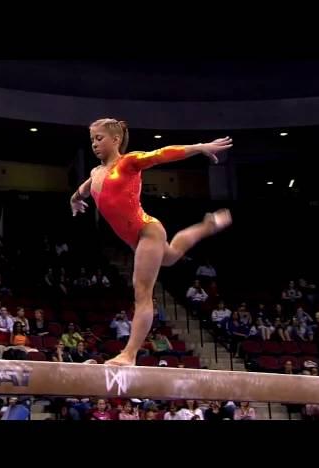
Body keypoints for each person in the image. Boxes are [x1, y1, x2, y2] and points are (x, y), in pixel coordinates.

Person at [70, 118, 232, 365]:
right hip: (137, 238)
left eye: (99, 138)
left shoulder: (129, 162)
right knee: (172, 255)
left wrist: (199, 147)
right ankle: (206, 226)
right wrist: (75, 198)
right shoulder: (96, 172)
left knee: (142, 292)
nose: (94, 144)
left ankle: (129, 354)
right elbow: (86, 188)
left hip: (147, 231)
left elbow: (162, 154)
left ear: (116, 140)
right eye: (92, 139)